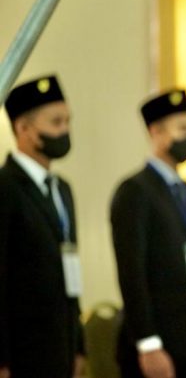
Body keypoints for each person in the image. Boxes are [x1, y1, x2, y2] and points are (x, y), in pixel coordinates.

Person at [110, 89, 186, 378]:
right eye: (182, 129)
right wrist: (148, 343)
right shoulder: (135, 192)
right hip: (157, 345)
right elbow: (131, 273)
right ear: (156, 132)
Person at [0, 75, 85, 378]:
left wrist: (79, 346)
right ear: (23, 128)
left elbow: (70, 267)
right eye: (56, 123)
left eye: (67, 121)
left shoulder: (62, 189)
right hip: (22, 353)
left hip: (61, 347)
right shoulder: (5, 188)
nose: (65, 130)